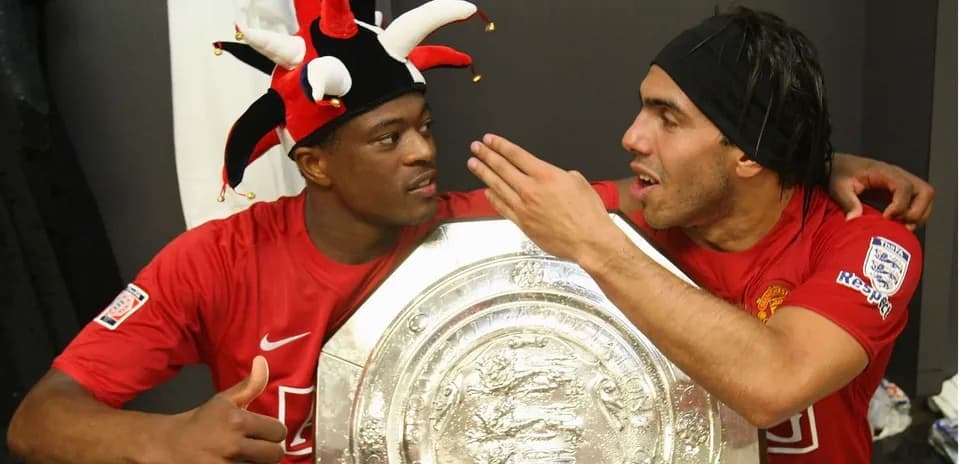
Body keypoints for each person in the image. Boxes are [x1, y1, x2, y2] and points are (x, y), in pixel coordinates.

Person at [7, 2, 933, 464]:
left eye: (426, 128)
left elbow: (768, 369)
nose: (424, 157)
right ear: (315, 162)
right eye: (389, 137)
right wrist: (164, 444)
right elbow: (37, 421)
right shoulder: (219, 260)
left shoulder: (483, 227)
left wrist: (815, 162)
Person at [467, 7, 926, 464]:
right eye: (644, 108)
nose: (632, 136)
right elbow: (423, 219)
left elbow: (776, 382)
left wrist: (599, 247)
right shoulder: (631, 212)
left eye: (668, 118)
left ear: (748, 155)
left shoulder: (867, 242)